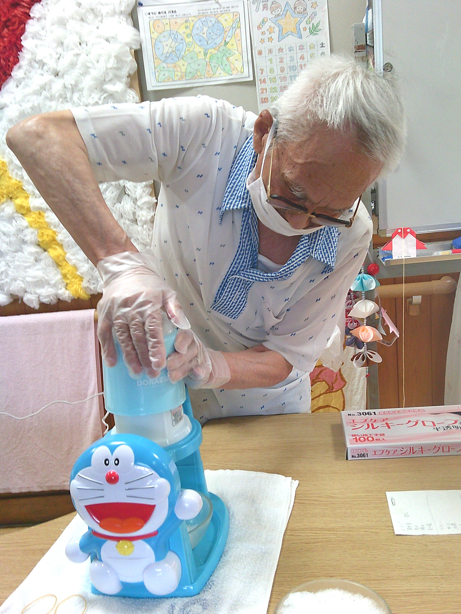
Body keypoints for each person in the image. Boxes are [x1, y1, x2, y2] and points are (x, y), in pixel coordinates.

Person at [6, 55, 405, 423]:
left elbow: (287, 354)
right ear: (264, 133)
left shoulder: (352, 230)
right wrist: (120, 263)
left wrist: (211, 366)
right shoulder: (203, 133)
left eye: (329, 212)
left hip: (269, 410)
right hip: (163, 393)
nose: (301, 223)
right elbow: (39, 139)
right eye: (293, 193)